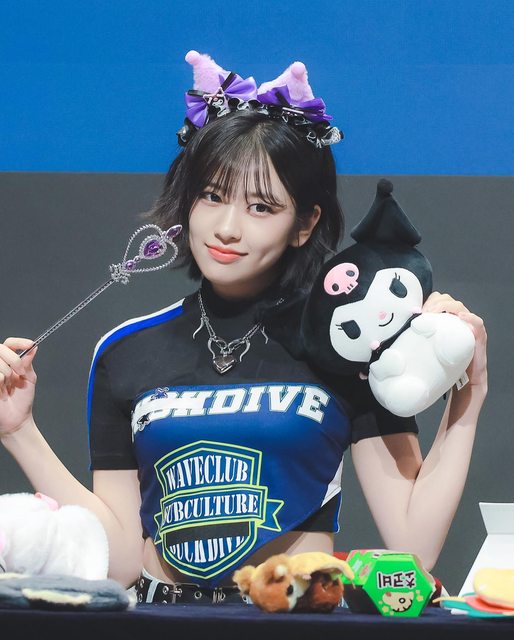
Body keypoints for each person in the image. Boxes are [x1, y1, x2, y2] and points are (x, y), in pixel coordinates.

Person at [0, 52, 487, 604]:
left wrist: (469, 392)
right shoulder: (127, 350)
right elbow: (117, 562)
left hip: (291, 619)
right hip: (158, 620)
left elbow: (415, 545)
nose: (227, 228)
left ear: (305, 223)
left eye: (261, 207)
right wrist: (18, 431)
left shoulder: (346, 344)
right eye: (211, 196)